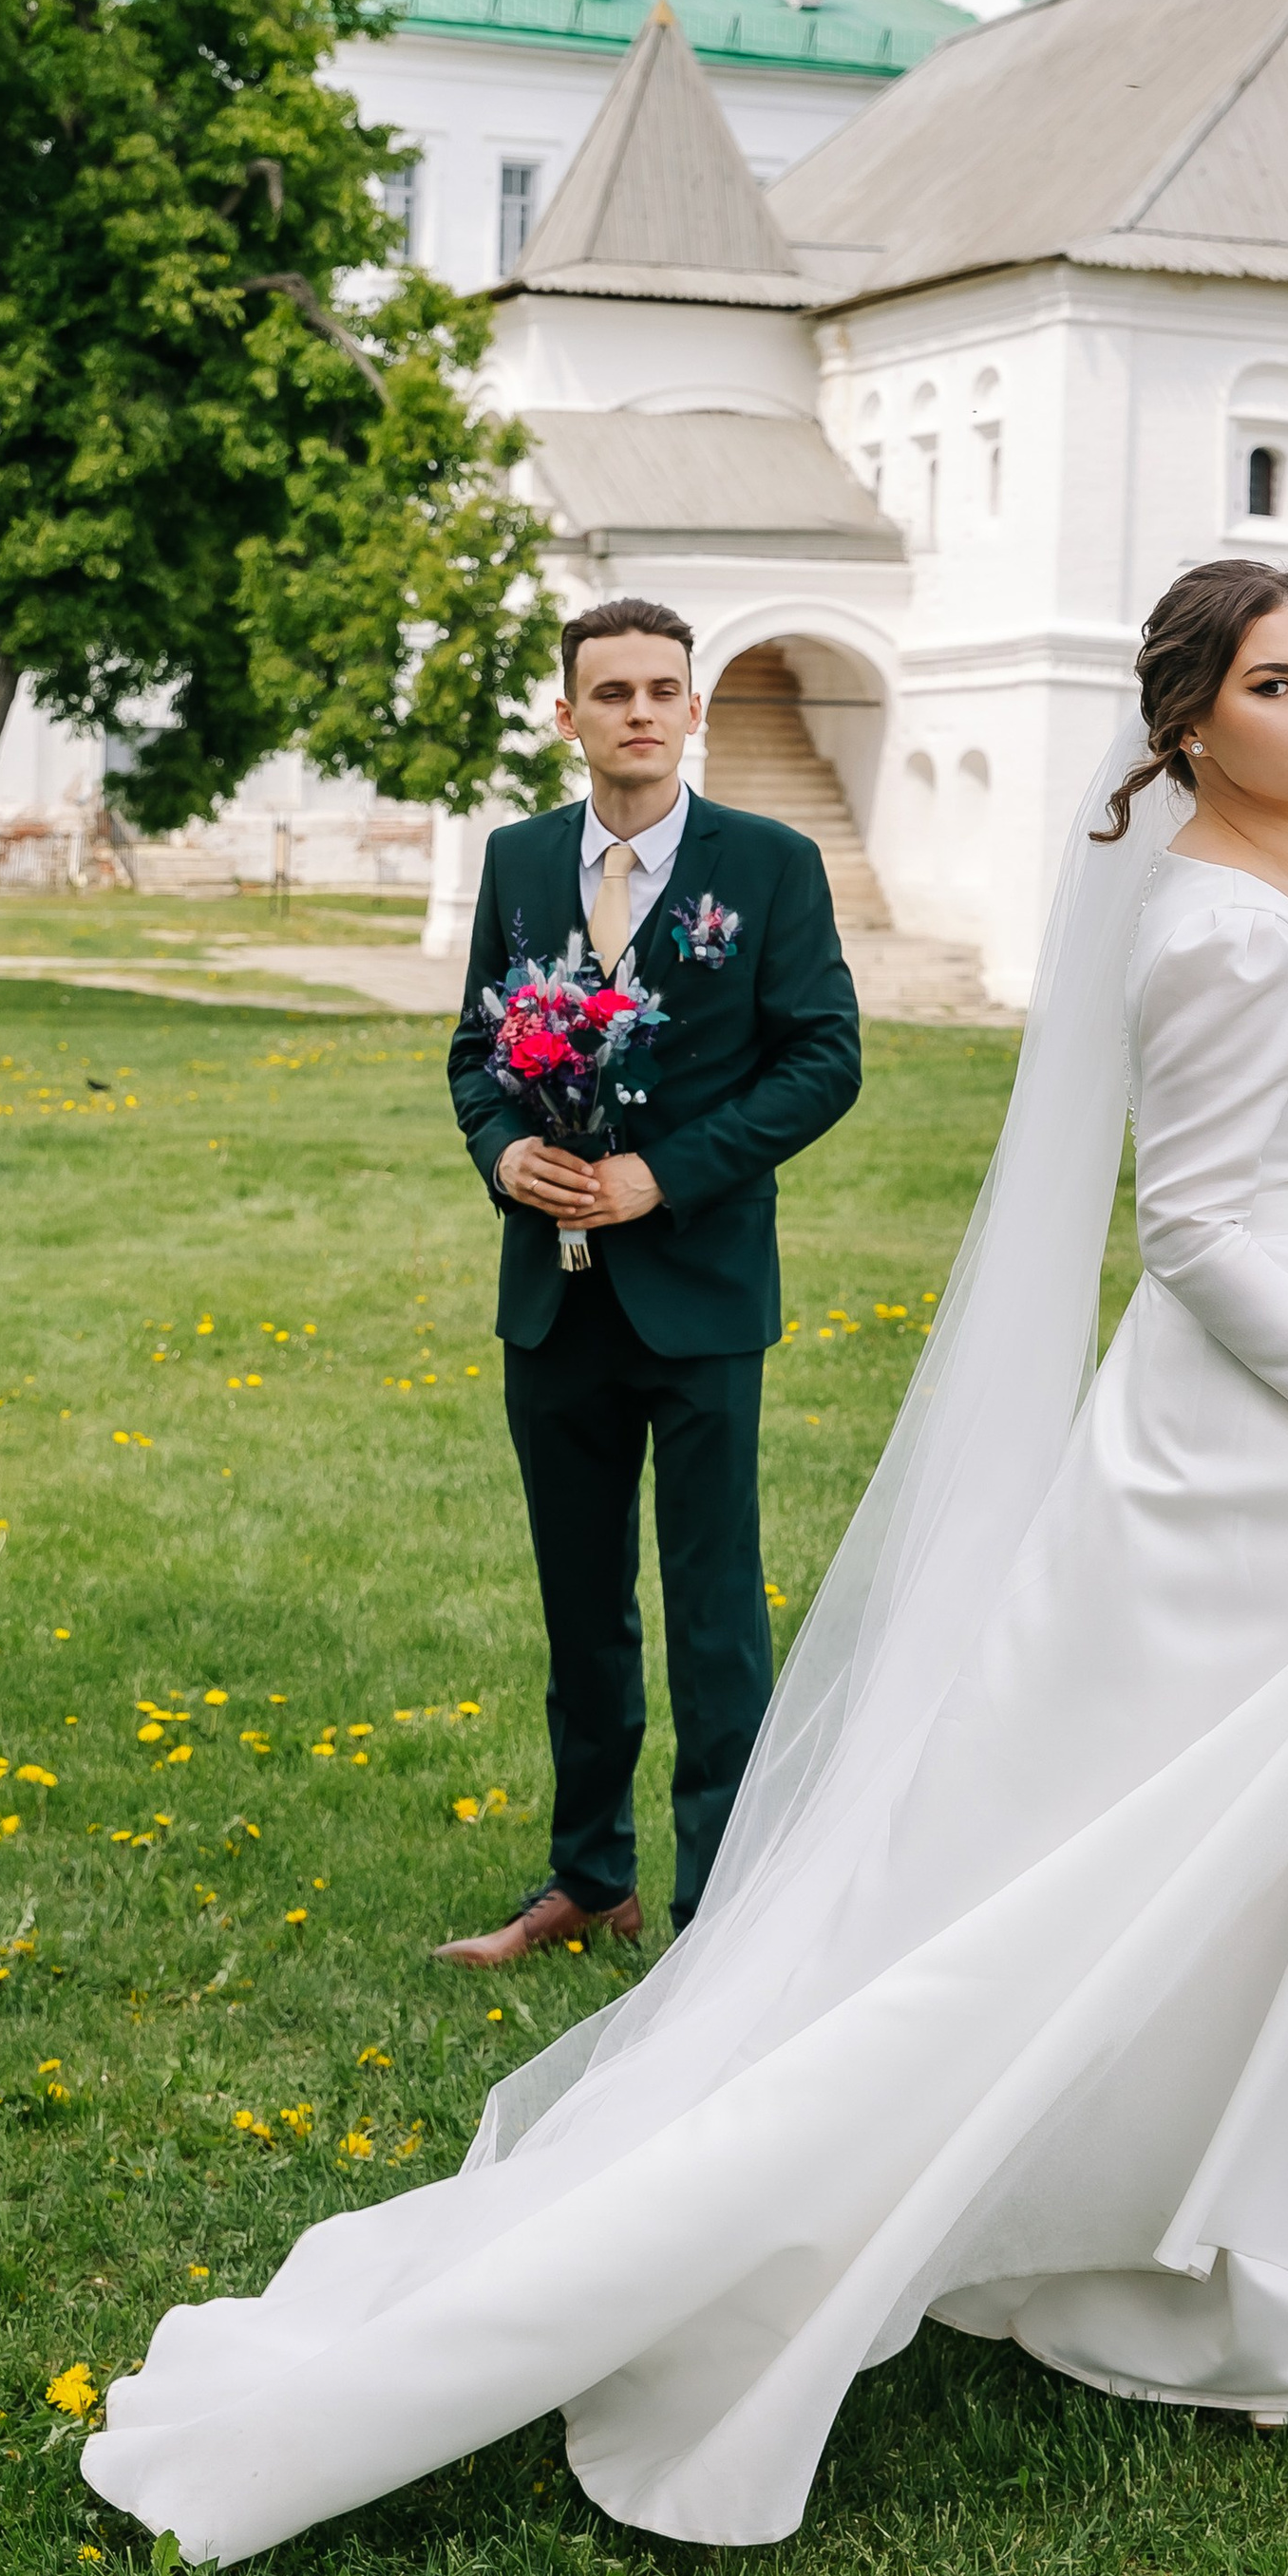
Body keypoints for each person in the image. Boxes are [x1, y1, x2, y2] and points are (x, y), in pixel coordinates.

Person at [85, 557, 1288, 2564]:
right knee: (1282, 1847)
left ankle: (1254, 2270)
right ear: (1189, 719)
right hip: (1276, 1447)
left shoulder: (1261, 900)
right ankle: (1284, 2291)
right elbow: (1194, 1229)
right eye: (1277, 682)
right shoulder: (1208, 927)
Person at [435, 594, 862, 1961]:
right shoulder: (516, 859)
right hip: (551, 1295)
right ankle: (588, 1878)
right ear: (569, 716)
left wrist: (663, 1176)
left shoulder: (773, 864)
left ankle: (719, 1908)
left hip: (701, 1290)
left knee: (715, 1609)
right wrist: (505, 1153)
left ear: (694, 709)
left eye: (661, 690)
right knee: (580, 1601)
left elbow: (824, 1059)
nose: (638, 712)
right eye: (610, 692)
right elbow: (475, 1052)